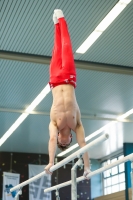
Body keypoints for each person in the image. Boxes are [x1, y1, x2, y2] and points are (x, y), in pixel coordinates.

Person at [45, 9, 90, 179]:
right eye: (67, 143)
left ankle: (56, 24)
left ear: (58, 138)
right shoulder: (76, 124)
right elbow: (83, 144)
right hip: (70, 79)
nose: (64, 142)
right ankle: (62, 20)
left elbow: (50, 141)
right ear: (70, 138)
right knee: (66, 47)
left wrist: (51, 162)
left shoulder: (53, 125)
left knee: (57, 49)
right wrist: (87, 168)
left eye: (61, 143)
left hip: (55, 79)